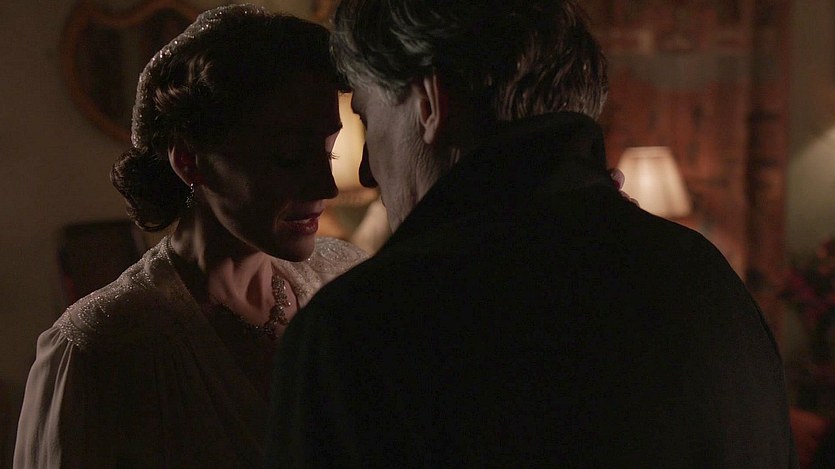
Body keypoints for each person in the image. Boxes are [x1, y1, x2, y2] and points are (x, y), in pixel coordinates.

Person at [266, 0, 797, 467]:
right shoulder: (710, 281)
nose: (365, 172)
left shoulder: (363, 328)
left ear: (428, 104)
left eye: (367, 118)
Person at [14, 5, 367, 468]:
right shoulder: (105, 350)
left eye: (329, 152)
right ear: (189, 161)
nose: (325, 185)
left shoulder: (348, 282)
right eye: (287, 155)